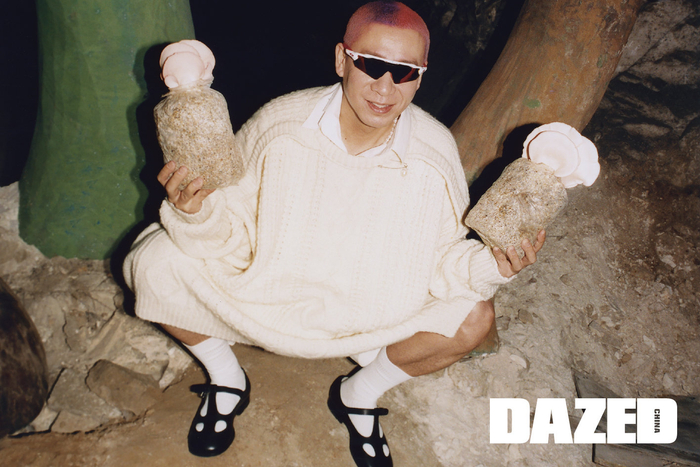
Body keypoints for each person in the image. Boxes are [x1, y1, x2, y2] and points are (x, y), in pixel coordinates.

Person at [124, 1, 545, 465]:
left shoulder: (434, 150)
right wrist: (195, 211)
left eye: (404, 72)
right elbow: (233, 225)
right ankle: (227, 380)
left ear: (421, 77)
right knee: (153, 262)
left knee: (474, 318)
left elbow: (444, 261)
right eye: (371, 65)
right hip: (271, 293)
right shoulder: (281, 123)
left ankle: (358, 395)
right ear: (342, 60)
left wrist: (494, 265)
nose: (385, 88)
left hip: (371, 314)